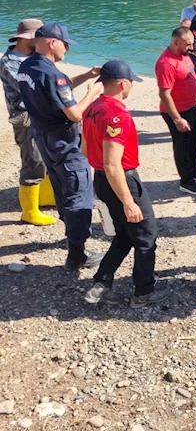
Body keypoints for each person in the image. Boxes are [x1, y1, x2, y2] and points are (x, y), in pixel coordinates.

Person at [82, 60, 169, 308]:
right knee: (146, 236)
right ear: (123, 84)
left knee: (124, 234)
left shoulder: (92, 108)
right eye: (131, 82)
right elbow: (113, 164)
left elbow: (85, 149)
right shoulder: (118, 115)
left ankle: (103, 281)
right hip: (122, 180)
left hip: (101, 178)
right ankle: (143, 292)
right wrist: (129, 201)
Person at [17, 23, 104, 270]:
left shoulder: (27, 67)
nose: (67, 49)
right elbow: (75, 113)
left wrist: (87, 74)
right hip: (63, 141)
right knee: (79, 191)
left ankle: (72, 235)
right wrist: (93, 92)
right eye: (66, 44)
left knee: (62, 187)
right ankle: (77, 253)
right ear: (53, 43)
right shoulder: (51, 73)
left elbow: (58, 88)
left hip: (43, 138)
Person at [0, 19, 56, 226]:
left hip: (43, 114)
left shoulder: (35, 56)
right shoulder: (8, 62)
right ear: (27, 38)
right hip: (24, 117)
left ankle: (47, 197)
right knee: (33, 161)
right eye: (38, 38)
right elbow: (30, 86)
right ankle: (29, 211)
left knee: (49, 157)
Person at [156, 27, 196, 195]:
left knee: (195, 141)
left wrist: (195, 97)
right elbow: (164, 94)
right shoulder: (166, 63)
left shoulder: (184, 55)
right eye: (187, 44)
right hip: (177, 112)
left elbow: (187, 77)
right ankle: (186, 180)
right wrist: (177, 119)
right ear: (176, 42)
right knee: (182, 146)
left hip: (191, 106)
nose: (191, 48)